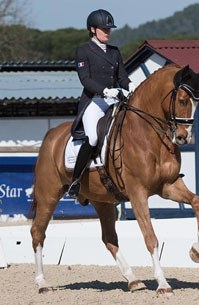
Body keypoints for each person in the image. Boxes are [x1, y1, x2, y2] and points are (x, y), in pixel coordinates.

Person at [68, 9, 136, 198]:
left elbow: (122, 76)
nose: (107, 32)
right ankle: (75, 180)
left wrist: (130, 86)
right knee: (93, 138)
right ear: (92, 29)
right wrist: (105, 91)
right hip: (94, 101)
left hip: (114, 99)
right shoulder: (83, 51)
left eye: (109, 29)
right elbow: (85, 80)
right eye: (104, 28)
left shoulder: (115, 51)